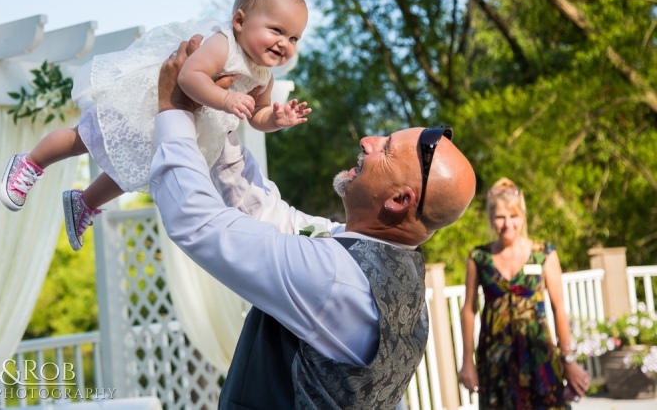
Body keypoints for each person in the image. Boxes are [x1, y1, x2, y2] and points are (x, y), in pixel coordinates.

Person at [149, 37, 477, 409]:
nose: (368, 141)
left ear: (399, 200)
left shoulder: (335, 275)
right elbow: (268, 212)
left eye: (385, 149)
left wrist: (172, 109)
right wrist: (218, 123)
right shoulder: (390, 277)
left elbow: (199, 223)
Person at [0, 0, 311, 250]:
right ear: (240, 21)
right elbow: (190, 77)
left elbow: (258, 115)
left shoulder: (263, 75)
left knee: (136, 170)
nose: (285, 44)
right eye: (276, 31)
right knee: (85, 138)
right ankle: (30, 163)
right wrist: (226, 100)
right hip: (146, 106)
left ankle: (84, 202)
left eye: (294, 38)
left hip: (176, 123)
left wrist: (274, 120)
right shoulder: (222, 45)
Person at [457, 178, 591, 409]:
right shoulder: (478, 257)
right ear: (491, 218)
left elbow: (559, 309)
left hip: (539, 355)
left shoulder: (545, 254)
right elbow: (469, 310)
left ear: (523, 217)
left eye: (513, 216)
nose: (507, 223)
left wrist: (567, 359)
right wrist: (467, 361)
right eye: (500, 217)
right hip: (495, 360)